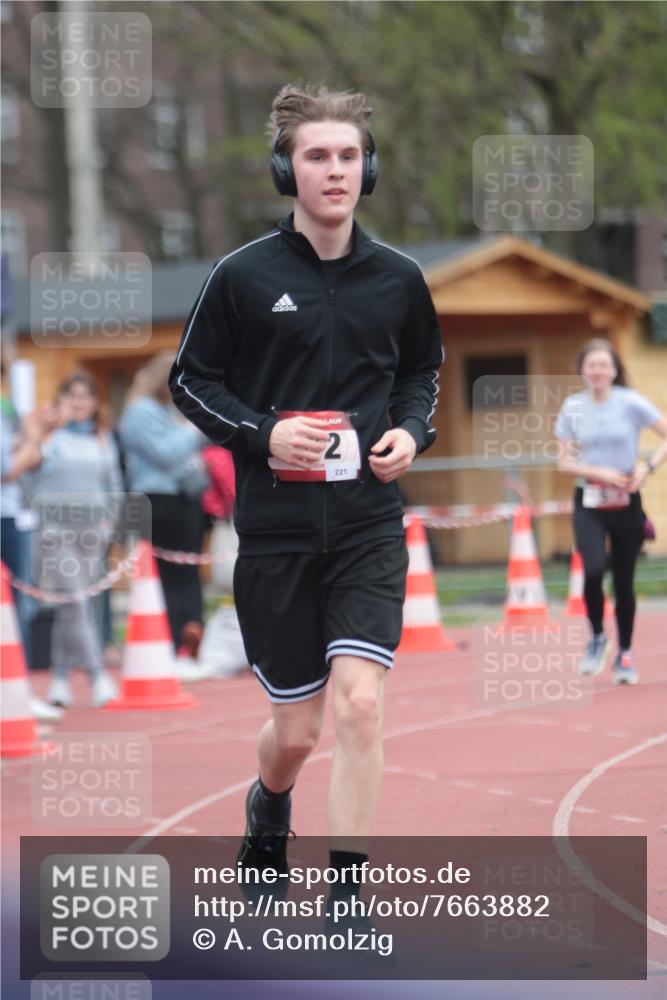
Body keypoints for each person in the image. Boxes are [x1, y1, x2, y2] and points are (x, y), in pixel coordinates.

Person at [169, 84, 444, 914]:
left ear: (370, 170)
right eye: (317, 156)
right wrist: (262, 433)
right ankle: (268, 805)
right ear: (286, 170)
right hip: (278, 534)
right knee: (296, 732)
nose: (334, 171)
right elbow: (191, 381)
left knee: (360, 706)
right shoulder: (241, 276)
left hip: (366, 526)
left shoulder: (398, 278)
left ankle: (347, 896)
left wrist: (410, 434)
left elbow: (418, 376)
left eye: (349, 157)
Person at [555, 338, 667, 684]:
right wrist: (601, 473)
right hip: (589, 500)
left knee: (623, 580)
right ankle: (598, 638)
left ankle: (626, 652)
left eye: (604, 365)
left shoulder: (631, 402)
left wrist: (646, 468)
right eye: (592, 365)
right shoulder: (573, 406)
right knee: (591, 570)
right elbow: (563, 462)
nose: (598, 371)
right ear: (582, 370)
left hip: (626, 501)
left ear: (615, 370)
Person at [27, 372, 123, 708]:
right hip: (55, 531)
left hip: (92, 533)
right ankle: (97, 676)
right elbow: (29, 476)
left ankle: (59, 680)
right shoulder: (48, 437)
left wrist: (111, 523)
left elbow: (113, 482)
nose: (79, 403)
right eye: (72, 396)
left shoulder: (102, 437)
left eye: (86, 396)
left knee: (73, 608)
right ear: (61, 400)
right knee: (76, 603)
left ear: (95, 403)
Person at [119, 352, 209, 660]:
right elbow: (168, 454)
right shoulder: (140, 412)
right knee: (168, 577)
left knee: (186, 574)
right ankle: (171, 644)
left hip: (181, 500)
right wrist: (195, 427)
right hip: (157, 502)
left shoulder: (166, 410)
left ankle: (190, 641)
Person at [0, 356, 62, 721]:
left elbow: (34, 462)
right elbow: (7, 470)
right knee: (16, 606)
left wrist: (38, 435)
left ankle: (16, 690)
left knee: (22, 605)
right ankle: (14, 694)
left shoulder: (7, 410)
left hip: (13, 514)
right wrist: (35, 438)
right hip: (5, 516)